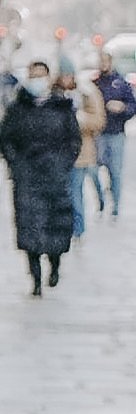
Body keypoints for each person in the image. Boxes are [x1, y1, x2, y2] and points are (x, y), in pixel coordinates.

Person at [0, 60, 81, 296]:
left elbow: (73, 140)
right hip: (27, 177)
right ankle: (35, 278)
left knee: (56, 225)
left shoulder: (61, 108)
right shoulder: (18, 109)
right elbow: (6, 139)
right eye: (32, 75)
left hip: (55, 175)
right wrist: (17, 164)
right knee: (29, 228)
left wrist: (63, 163)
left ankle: (54, 265)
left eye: (40, 76)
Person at [55, 58, 106, 244]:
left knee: (75, 192)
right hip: (56, 154)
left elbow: (99, 121)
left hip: (80, 153)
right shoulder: (53, 95)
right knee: (63, 194)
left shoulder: (86, 93)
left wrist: (79, 120)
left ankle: (78, 230)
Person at [93, 51, 136, 220]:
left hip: (116, 133)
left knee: (116, 172)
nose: (103, 64)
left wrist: (123, 108)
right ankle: (100, 199)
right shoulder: (95, 84)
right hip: (99, 134)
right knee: (93, 170)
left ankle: (115, 206)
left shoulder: (120, 84)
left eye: (106, 61)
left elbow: (133, 106)